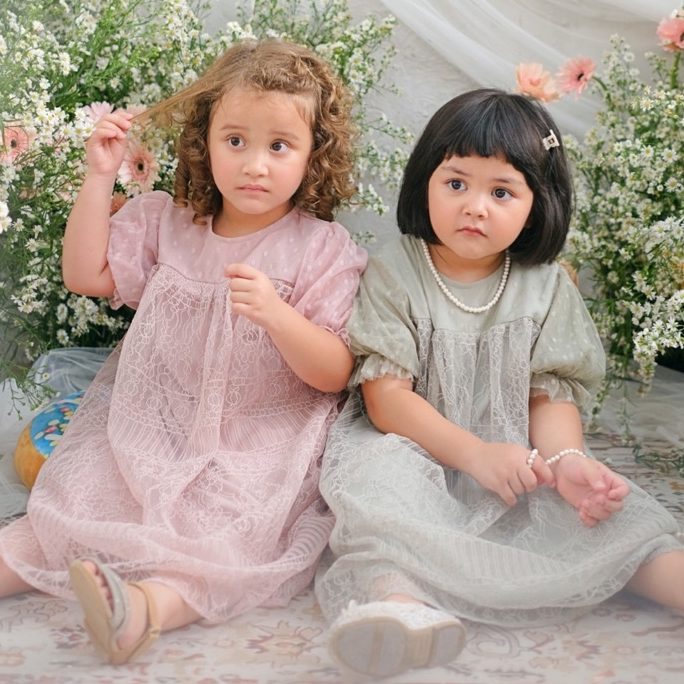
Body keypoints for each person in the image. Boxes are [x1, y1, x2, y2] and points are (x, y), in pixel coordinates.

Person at [0, 39, 367, 664]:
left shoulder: (320, 248)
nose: (254, 165)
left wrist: (278, 315)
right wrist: (99, 176)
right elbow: (85, 275)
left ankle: (143, 610)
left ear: (314, 155)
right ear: (205, 142)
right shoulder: (168, 222)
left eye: (279, 146)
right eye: (235, 141)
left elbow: (335, 372)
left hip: (258, 441)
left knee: (230, 535)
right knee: (76, 502)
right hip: (157, 423)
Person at [314, 88, 684, 680]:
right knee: (377, 500)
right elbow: (387, 401)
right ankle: (400, 608)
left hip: (516, 453)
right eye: (456, 183)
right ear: (425, 183)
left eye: (502, 192)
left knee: (607, 517)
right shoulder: (396, 270)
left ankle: (670, 577)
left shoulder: (544, 284)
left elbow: (548, 393)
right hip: (414, 448)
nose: (475, 207)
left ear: (537, 205)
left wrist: (565, 460)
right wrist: (474, 455)